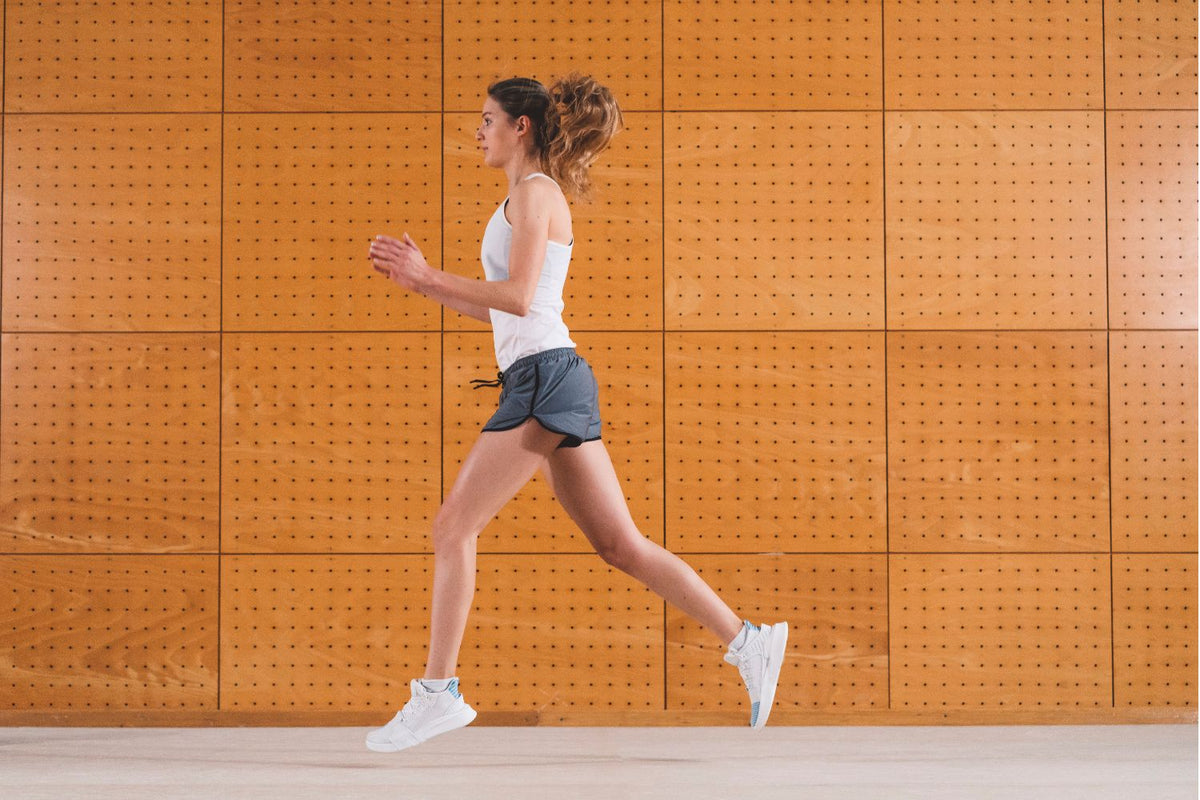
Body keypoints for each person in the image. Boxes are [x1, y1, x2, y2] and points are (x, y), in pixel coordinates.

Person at [364, 73, 788, 753]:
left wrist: (428, 275)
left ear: (520, 127)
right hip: (547, 377)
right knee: (620, 545)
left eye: (488, 118)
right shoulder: (522, 198)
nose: (479, 130)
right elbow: (503, 305)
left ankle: (438, 695)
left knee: (452, 527)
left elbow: (520, 295)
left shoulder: (535, 194)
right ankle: (747, 640)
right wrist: (425, 287)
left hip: (544, 379)